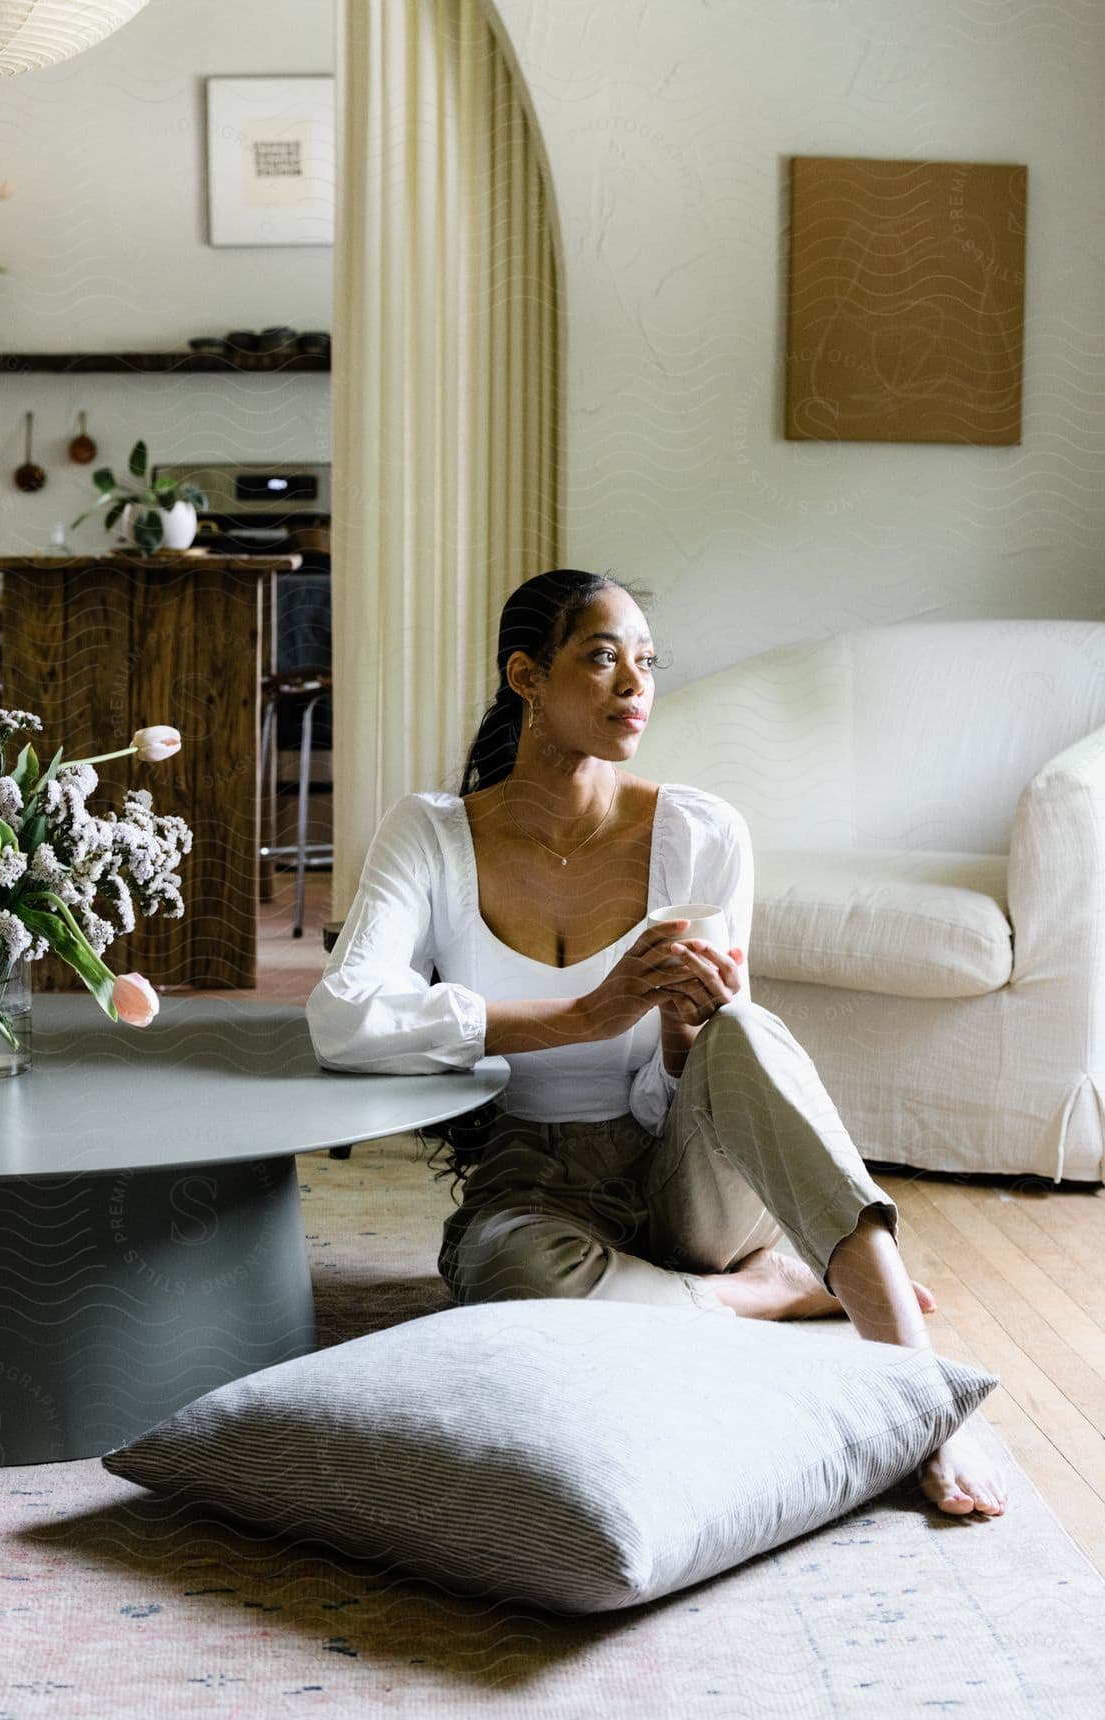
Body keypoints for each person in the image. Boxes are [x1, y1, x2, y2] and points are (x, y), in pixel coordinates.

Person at [305, 569, 1006, 1519]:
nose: (635, 684)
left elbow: (719, 1078)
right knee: (507, 1285)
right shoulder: (432, 836)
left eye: (645, 660)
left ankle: (924, 1403)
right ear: (526, 676)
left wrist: (680, 1032)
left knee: (746, 1029)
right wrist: (585, 1017)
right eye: (601, 659)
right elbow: (343, 1015)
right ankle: (768, 1295)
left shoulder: (701, 831)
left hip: (693, 1182)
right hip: (536, 1182)